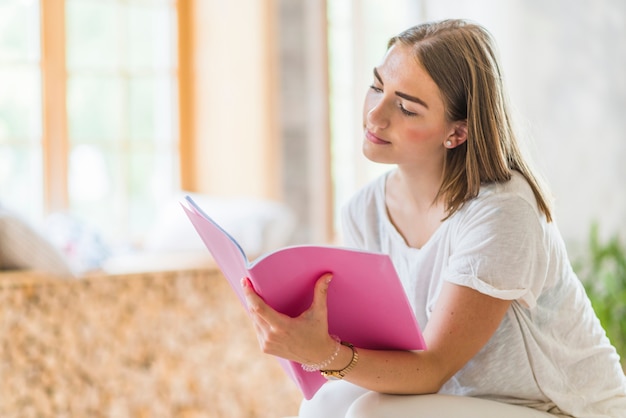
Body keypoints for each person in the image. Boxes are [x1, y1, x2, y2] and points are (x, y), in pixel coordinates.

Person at [241, 19, 626, 417]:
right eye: (376, 87)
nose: (375, 116)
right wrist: (307, 341)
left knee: (370, 412)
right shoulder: (364, 211)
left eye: (406, 108)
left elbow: (432, 369)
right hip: (460, 402)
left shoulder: (502, 213)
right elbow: (388, 354)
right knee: (323, 402)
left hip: (560, 409)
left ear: (456, 134)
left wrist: (326, 354)